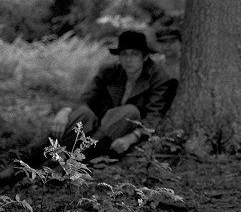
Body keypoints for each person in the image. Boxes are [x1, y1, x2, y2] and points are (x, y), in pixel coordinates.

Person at [0, 30, 174, 183]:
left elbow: (154, 116)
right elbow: (85, 99)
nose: (128, 60)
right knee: (82, 113)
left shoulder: (157, 77)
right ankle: (23, 164)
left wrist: (133, 137)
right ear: (119, 56)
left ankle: (67, 166)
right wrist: (64, 111)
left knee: (129, 111)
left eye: (134, 54)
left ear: (144, 56)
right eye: (124, 54)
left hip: (116, 135)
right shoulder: (110, 71)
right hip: (95, 125)